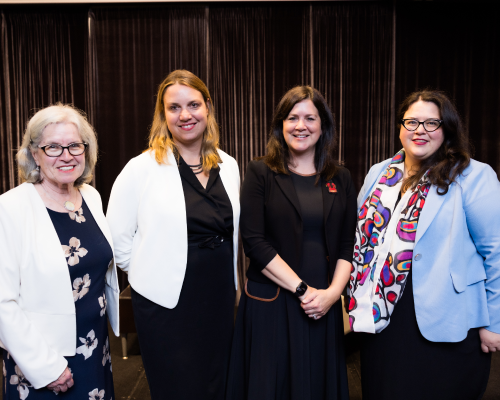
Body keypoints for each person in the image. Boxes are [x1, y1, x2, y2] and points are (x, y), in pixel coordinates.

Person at [347, 89, 500, 399]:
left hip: (449, 320)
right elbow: (359, 242)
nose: (420, 130)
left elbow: (496, 252)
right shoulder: (379, 173)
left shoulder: (473, 176)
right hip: (382, 318)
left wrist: (494, 323)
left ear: (448, 129)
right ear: (401, 127)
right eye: (412, 121)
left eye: (432, 123)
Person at [106, 69, 240, 400]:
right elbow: (116, 241)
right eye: (174, 107)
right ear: (163, 115)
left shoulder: (229, 164)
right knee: (177, 387)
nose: (185, 115)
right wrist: (148, 275)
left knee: (218, 384)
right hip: (166, 303)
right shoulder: (141, 168)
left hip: (220, 297)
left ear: (207, 106)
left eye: (193, 104)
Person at [226, 86, 356, 400]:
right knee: (272, 386)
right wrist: (303, 290)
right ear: (280, 125)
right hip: (273, 304)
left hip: (322, 306)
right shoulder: (260, 172)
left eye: (310, 118)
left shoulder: (341, 177)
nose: (301, 125)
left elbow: (346, 244)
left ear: (323, 125)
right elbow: (254, 244)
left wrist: (331, 295)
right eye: (292, 117)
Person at [0, 104, 120, 399]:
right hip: (44, 359)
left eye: (74, 145)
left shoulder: (90, 197)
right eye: (52, 147)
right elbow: (2, 302)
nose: (66, 155)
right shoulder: (10, 208)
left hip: (95, 349)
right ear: (34, 154)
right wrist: (45, 366)